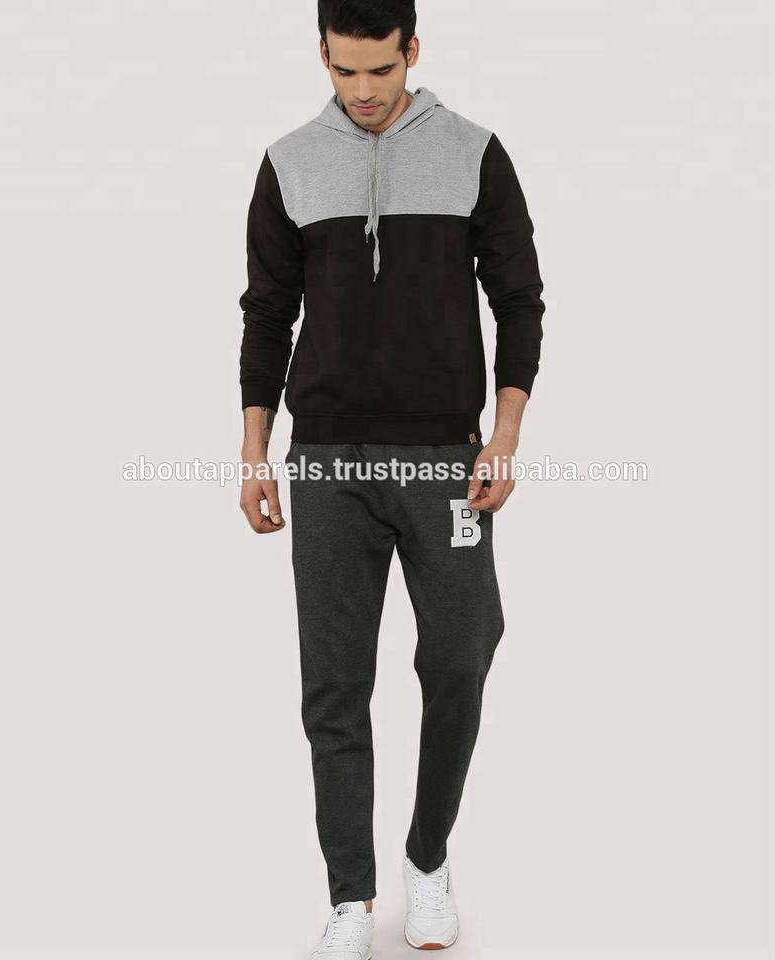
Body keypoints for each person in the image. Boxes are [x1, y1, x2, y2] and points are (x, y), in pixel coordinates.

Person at [238, 1, 545, 955]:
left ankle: (428, 856)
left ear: (413, 50)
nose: (364, 91)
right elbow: (267, 313)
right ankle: (350, 901)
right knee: (333, 684)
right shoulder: (290, 162)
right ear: (322, 55)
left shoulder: (473, 152)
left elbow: (520, 299)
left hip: (445, 457)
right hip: (328, 460)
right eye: (345, 71)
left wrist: (504, 436)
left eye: (381, 69)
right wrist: (254, 450)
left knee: (462, 654)